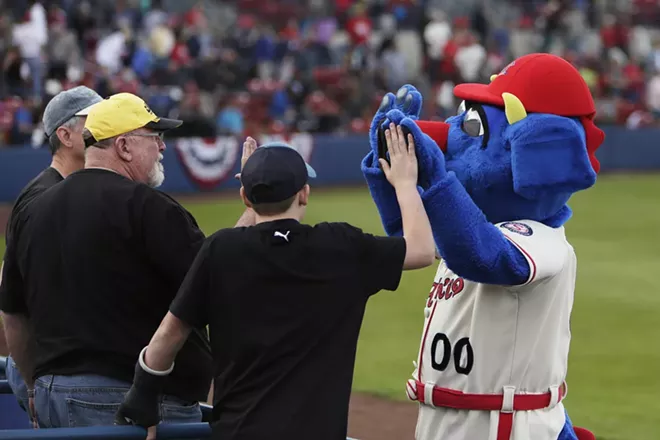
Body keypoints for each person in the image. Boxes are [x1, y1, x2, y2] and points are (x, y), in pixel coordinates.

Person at [114, 124, 436, 440]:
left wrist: (142, 397)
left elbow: (170, 334)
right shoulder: (340, 245)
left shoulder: (221, 251)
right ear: (304, 194)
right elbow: (422, 250)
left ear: (245, 197)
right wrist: (405, 183)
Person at [0, 92, 256, 429]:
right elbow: (216, 279)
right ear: (123, 147)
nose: (162, 147)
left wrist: (35, 385)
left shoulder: (34, 210)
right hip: (132, 400)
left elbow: (13, 312)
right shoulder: (149, 207)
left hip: (53, 396)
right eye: (154, 137)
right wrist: (255, 208)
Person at [0, 85, 103, 426]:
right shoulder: (45, 198)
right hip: (53, 369)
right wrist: (33, 386)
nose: (104, 128)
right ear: (65, 135)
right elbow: (13, 300)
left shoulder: (53, 191)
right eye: (94, 120)